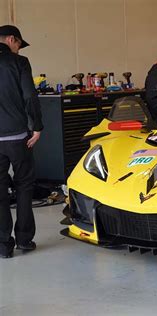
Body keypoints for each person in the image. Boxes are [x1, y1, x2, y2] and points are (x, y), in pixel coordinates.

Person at [0, 25, 43, 258]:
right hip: (17, 137)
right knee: (24, 186)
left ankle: (3, 245)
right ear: (10, 39)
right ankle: (25, 240)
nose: (18, 49)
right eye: (18, 44)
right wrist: (37, 126)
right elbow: (29, 96)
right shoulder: (19, 62)